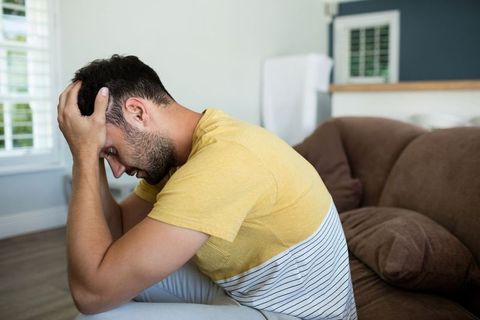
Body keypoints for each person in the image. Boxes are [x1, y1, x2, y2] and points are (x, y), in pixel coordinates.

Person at [57, 55, 357, 320]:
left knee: (97, 317)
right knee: (118, 283)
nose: (117, 171)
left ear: (137, 112)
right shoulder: (182, 153)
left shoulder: (224, 161)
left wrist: (83, 157)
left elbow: (90, 295)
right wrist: (89, 153)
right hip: (245, 294)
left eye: (110, 151)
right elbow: (120, 230)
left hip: (289, 313)